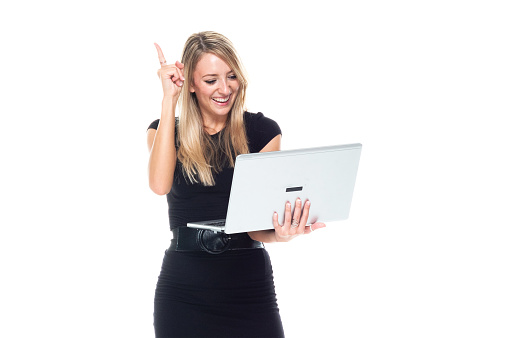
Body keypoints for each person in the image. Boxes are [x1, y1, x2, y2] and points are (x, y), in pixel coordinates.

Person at [147, 31, 325, 338]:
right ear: (191, 83)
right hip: (184, 288)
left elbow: (256, 226)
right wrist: (168, 101)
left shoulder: (262, 131)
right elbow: (159, 185)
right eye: (211, 79)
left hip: (248, 285)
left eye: (231, 76)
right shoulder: (164, 131)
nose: (224, 88)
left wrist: (282, 235)